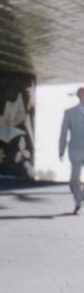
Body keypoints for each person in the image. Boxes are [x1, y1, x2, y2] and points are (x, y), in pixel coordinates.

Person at [58, 86, 84, 215]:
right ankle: (78, 200)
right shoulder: (69, 112)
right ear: (78, 96)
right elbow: (63, 133)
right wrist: (61, 150)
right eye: (82, 94)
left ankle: (80, 198)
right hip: (75, 150)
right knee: (74, 180)